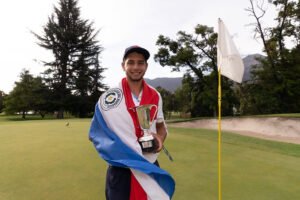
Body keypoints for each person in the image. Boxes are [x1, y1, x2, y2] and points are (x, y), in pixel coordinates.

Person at [89, 45, 175, 200]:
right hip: (121, 169)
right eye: (131, 62)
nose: (136, 67)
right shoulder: (109, 98)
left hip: (149, 165)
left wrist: (160, 140)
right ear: (123, 65)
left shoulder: (156, 96)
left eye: (140, 62)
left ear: (146, 66)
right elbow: (96, 133)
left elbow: (161, 126)